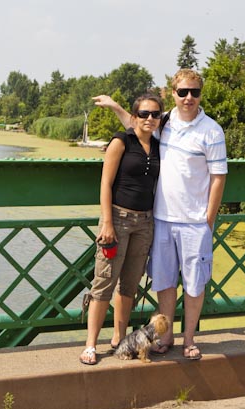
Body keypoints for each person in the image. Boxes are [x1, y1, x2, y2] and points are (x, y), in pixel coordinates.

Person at [92, 69, 227, 360]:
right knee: (164, 283)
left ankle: (189, 339)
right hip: (162, 219)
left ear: (200, 94)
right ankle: (166, 338)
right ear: (174, 93)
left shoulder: (212, 131)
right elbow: (137, 123)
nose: (189, 97)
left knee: (194, 284)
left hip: (195, 222)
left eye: (194, 92)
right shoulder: (164, 122)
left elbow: (219, 178)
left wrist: (208, 220)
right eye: (183, 92)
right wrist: (115, 106)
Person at [79, 93, 163, 365]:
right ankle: (91, 345)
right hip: (118, 219)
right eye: (144, 114)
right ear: (135, 116)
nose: (149, 118)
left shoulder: (159, 145)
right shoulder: (121, 141)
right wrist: (107, 223)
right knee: (104, 282)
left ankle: (119, 338)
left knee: (129, 284)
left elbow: (143, 125)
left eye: (155, 114)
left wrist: (116, 106)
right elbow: (105, 183)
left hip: (145, 222)